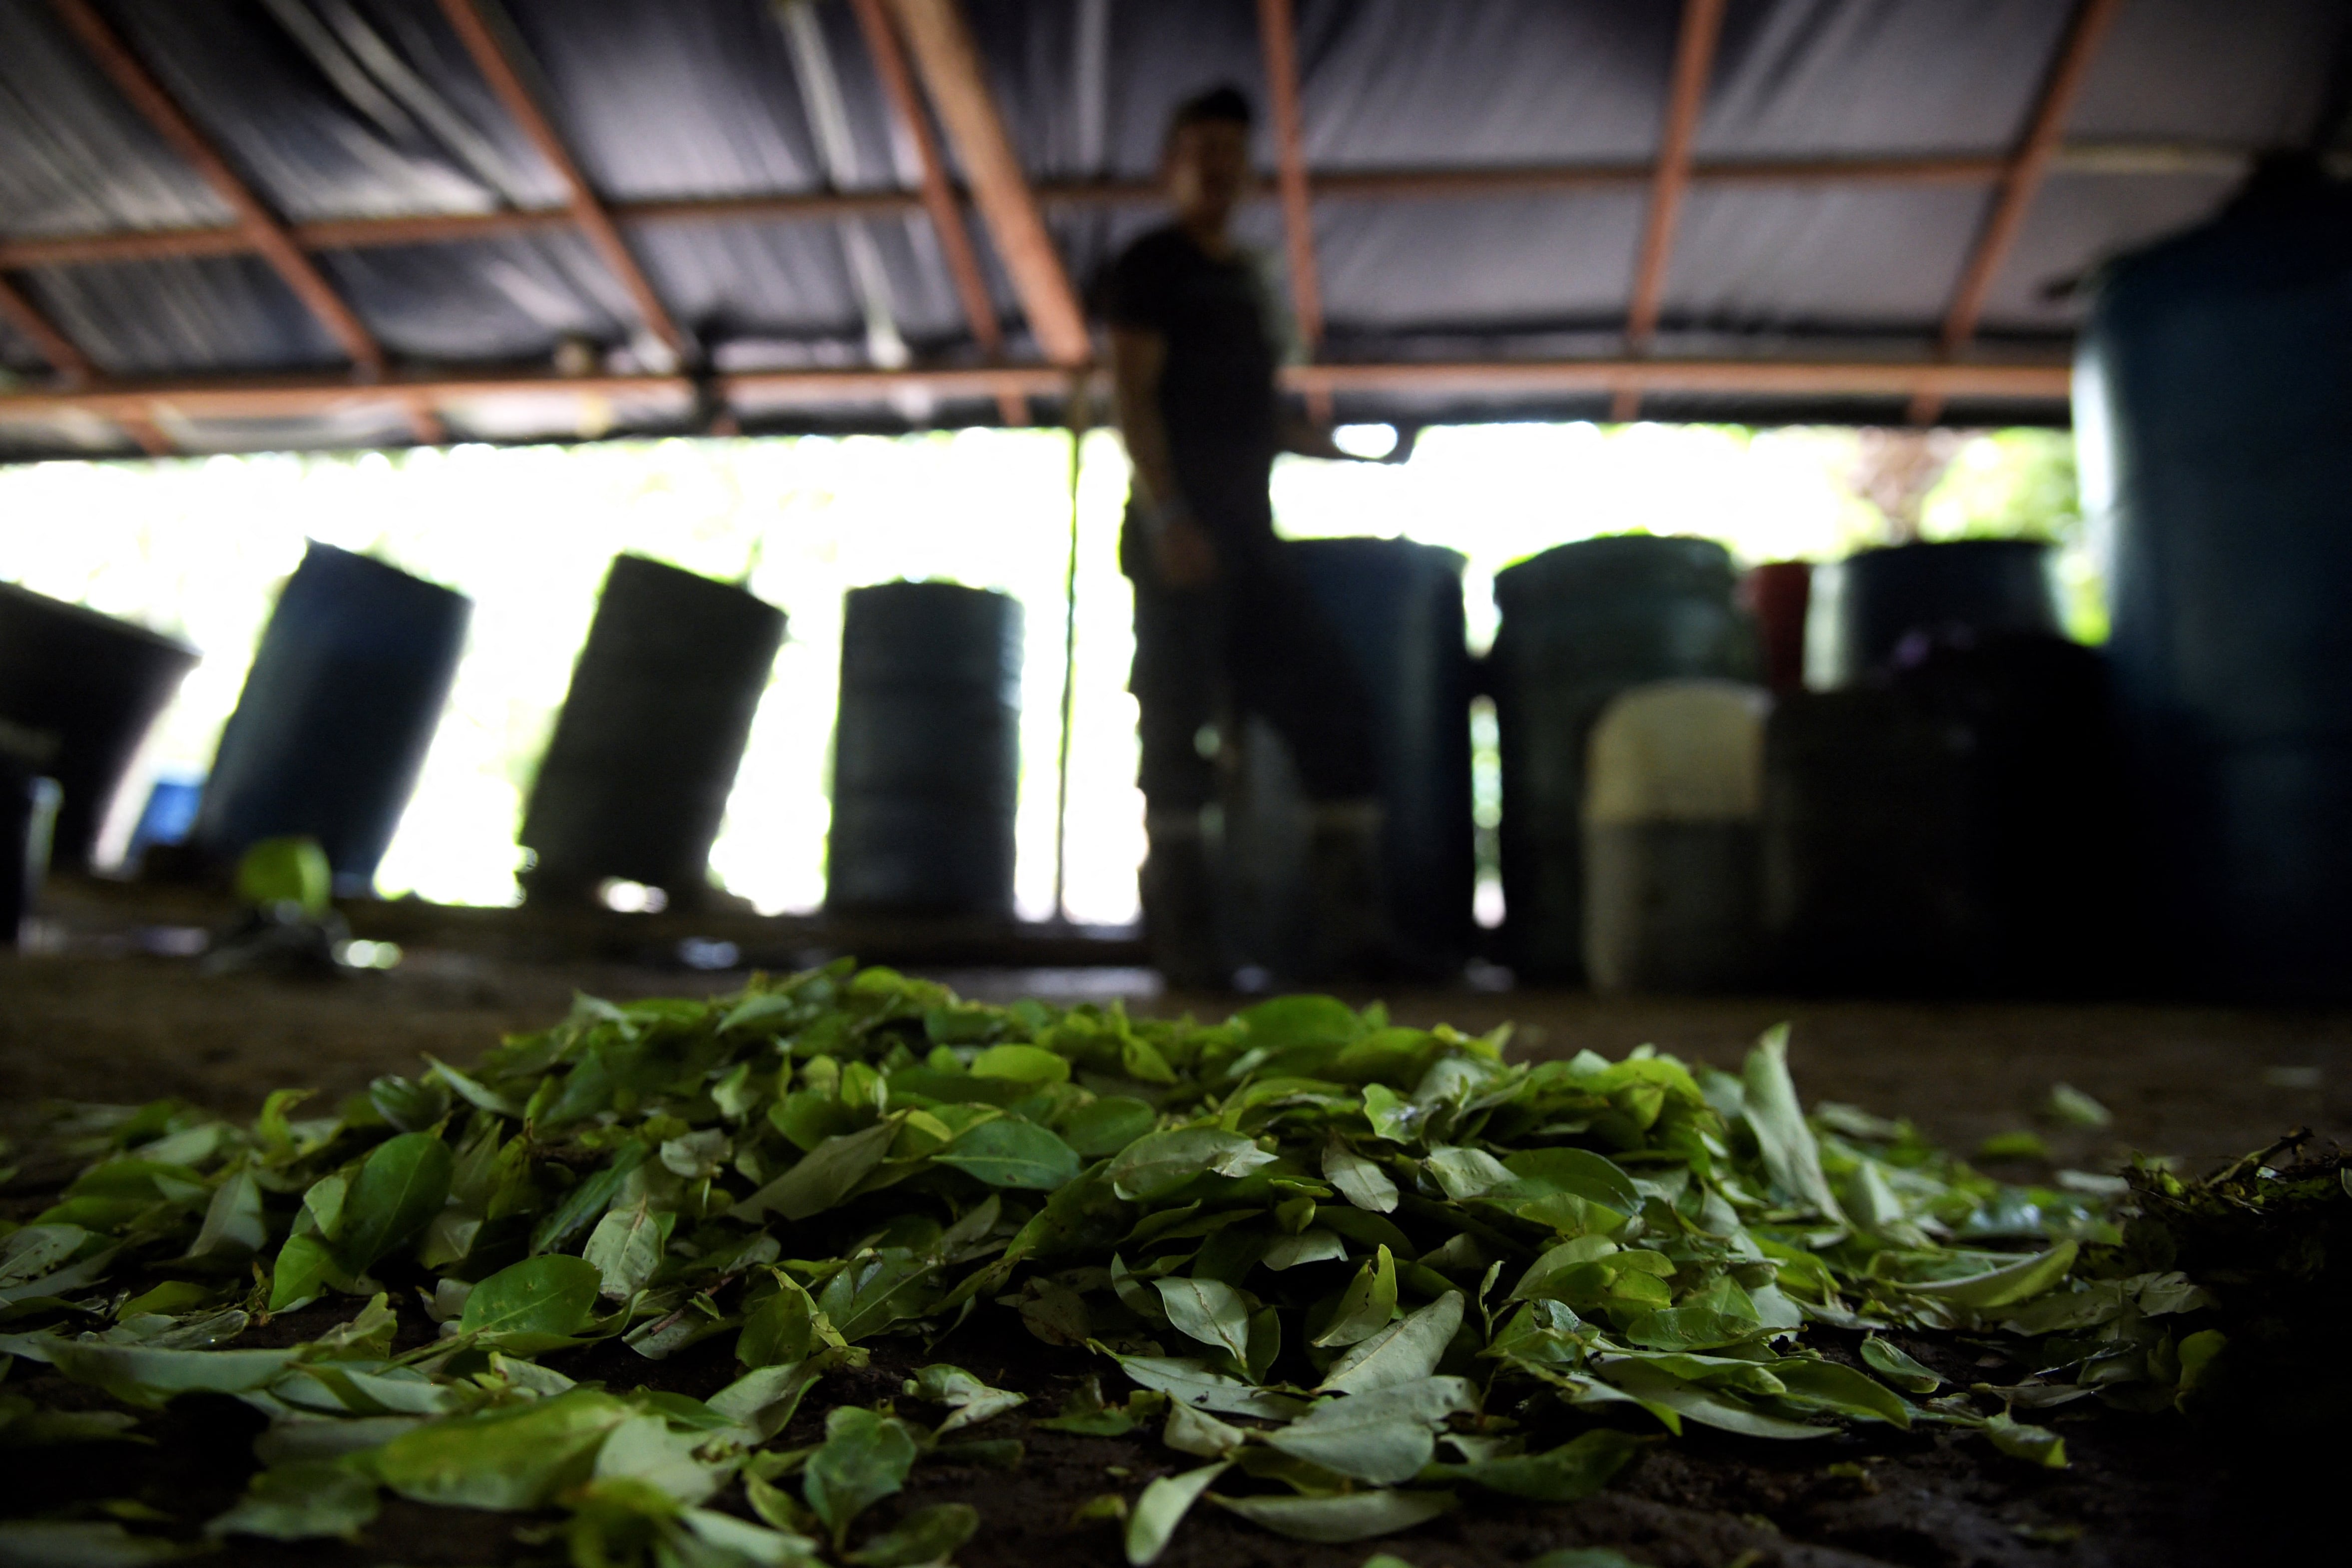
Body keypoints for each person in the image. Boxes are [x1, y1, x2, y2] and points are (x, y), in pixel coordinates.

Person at [1102, 85, 1396, 987]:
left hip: (1251, 540)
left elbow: (1263, 417)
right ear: (1172, 164)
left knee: (1336, 711)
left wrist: (1352, 455)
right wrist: (1170, 517)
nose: (1219, 166)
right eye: (1202, 148)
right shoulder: (1151, 266)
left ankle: (1351, 939)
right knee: (1178, 732)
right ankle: (1185, 947)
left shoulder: (1247, 280)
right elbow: (1133, 397)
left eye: (1232, 149)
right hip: (1179, 539)